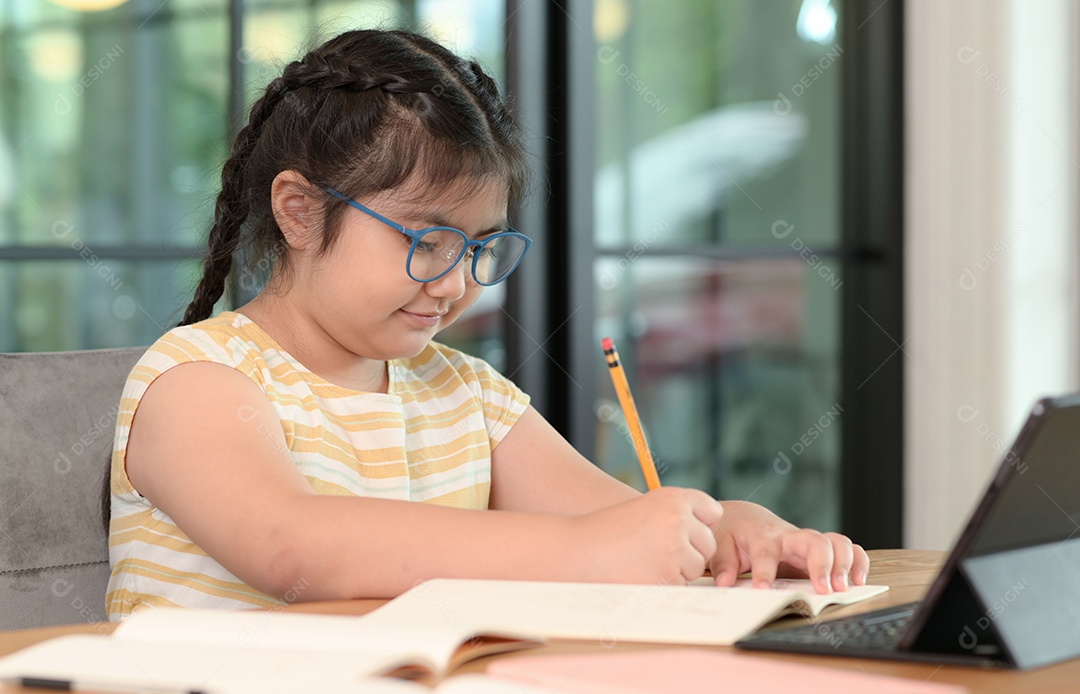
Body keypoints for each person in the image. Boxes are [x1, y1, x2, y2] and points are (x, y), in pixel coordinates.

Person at [106, 28, 869, 621]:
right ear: (300, 212)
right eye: (424, 242)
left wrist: (729, 527)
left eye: (479, 248)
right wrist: (584, 550)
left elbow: (620, 521)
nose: (456, 282)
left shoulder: (465, 393)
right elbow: (292, 544)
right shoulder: (198, 382)